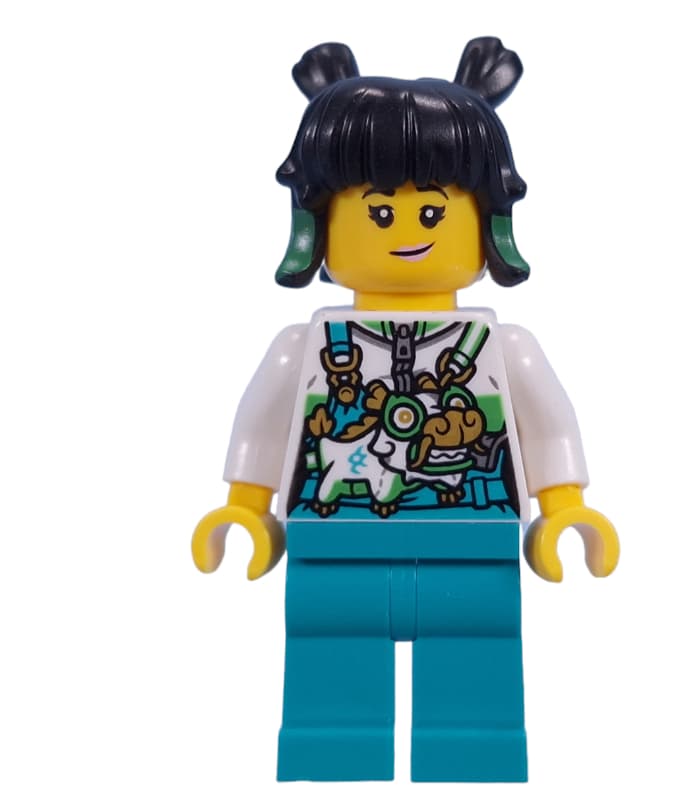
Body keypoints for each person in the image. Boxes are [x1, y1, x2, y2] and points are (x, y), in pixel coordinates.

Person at [192, 37, 620, 783]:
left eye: (432, 210)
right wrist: (245, 506)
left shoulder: (504, 346)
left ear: (486, 223)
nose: (411, 231)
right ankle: (332, 752)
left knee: (477, 660)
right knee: (329, 655)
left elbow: (548, 425)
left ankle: (473, 752)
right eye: (380, 213)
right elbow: (262, 424)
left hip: (473, 542)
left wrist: (565, 507)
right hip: (333, 538)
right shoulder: (306, 345)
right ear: (320, 224)